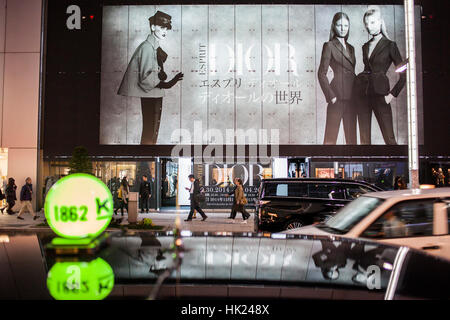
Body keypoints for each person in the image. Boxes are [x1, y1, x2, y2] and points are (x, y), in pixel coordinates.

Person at [117, 10, 184, 144]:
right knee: (150, 132)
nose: (164, 31)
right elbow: (146, 79)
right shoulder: (147, 47)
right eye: (161, 27)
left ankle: (147, 157)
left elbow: (153, 71)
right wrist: (170, 83)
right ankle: (146, 159)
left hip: (153, 94)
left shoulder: (153, 47)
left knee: (152, 131)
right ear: (153, 27)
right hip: (150, 95)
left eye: (166, 28)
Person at [354, 6, 406, 145]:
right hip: (362, 96)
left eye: (372, 22)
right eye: (366, 24)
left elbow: (404, 74)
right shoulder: (365, 46)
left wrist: (391, 95)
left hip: (381, 95)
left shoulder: (390, 45)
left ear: (380, 22)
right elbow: (367, 69)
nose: (369, 27)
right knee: (364, 141)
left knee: (389, 139)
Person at [318, 12, 357, 145]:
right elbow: (321, 73)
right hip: (337, 97)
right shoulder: (329, 45)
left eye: (346, 25)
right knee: (330, 139)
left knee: (352, 140)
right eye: (339, 25)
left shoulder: (351, 48)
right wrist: (331, 96)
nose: (343, 28)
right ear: (334, 26)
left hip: (352, 98)